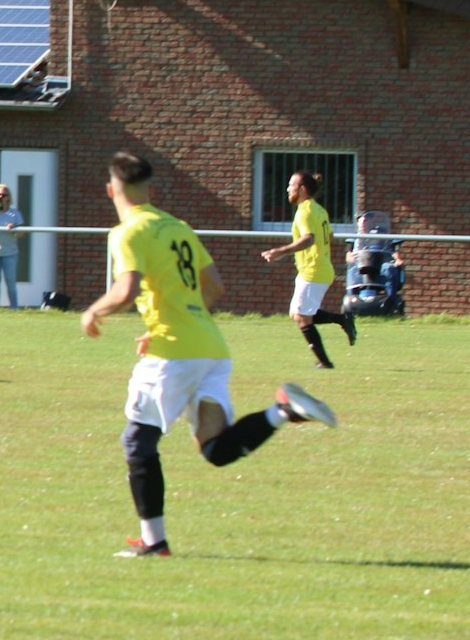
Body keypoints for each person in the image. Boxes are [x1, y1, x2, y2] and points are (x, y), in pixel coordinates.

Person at [80, 151, 339, 558]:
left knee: (137, 441)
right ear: (151, 189)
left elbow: (125, 292)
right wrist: (172, 320)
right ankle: (283, 410)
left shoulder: (126, 232)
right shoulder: (178, 227)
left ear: (111, 189)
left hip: (174, 354)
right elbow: (214, 287)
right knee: (216, 449)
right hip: (211, 347)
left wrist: (94, 310)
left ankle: (154, 542)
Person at [259, 171, 356, 368]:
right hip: (316, 268)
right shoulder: (319, 210)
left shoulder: (305, 211)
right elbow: (329, 235)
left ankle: (325, 363)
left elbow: (309, 238)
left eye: (291, 185)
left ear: (302, 189)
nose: (288, 189)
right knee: (297, 314)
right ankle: (342, 319)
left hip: (314, 269)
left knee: (302, 317)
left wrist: (280, 251)